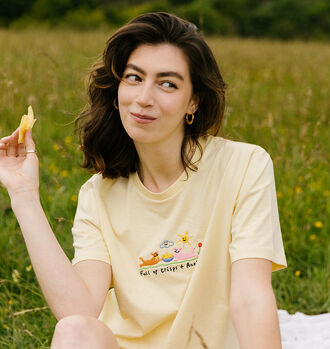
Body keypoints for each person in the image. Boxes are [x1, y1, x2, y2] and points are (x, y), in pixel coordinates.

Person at [0, 12, 287, 349]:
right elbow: (78, 312)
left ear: (193, 100)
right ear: (118, 87)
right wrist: (23, 195)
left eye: (168, 83)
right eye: (134, 78)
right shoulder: (97, 194)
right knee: (74, 332)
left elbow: (251, 298)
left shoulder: (244, 165)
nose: (144, 98)